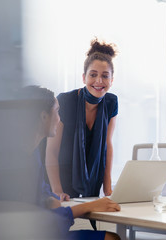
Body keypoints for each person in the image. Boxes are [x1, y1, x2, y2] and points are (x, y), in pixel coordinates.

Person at [22, 85, 121, 240]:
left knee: (111, 237)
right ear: (43, 117)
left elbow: (42, 194)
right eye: (57, 112)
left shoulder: (33, 153)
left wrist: (50, 198)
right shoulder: (22, 160)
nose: (60, 118)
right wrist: (89, 206)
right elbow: (47, 221)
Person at [46, 38, 118, 200]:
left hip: (92, 178)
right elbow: (51, 151)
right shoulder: (65, 101)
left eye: (105, 76)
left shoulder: (111, 102)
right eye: (93, 75)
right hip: (60, 177)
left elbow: (107, 145)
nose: (99, 81)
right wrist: (56, 190)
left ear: (111, 80)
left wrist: (108, 189)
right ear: (84, 77)